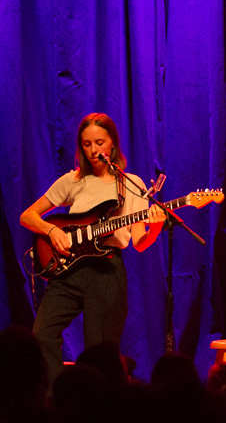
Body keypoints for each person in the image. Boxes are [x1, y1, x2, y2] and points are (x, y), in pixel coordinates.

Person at [20, 113, 166, 387]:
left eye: (99, 142)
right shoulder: (72, 180)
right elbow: (28, 216)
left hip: (106, 273)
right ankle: (57, 401)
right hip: (68, 272)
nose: (94, 150)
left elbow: (140, 242)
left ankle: (98, 414)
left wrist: (155, 228)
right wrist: (52, 230)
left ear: (112, 143)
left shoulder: (130, 184)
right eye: (86, 144)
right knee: (42, 336)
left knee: (98, 355)